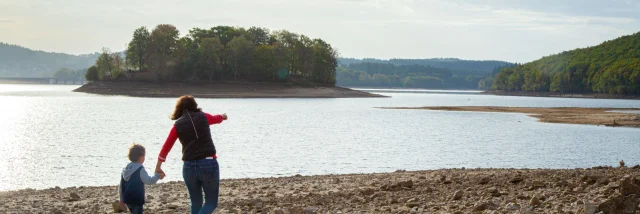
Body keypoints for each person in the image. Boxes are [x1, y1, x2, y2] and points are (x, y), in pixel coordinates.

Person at [155, 95, 228, 214]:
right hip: (208, 163)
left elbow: (166, 147)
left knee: (195, 203)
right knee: (210, 203)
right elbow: (216, 118)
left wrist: (158, 167)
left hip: (188, 167)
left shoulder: (177, 125)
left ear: (179, 109)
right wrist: (223, 117)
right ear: (194, 105)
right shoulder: (203, 116)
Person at [118, 144, 165, 214]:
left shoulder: (126, 169)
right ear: (141, 157)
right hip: (137, 199)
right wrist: (157, 176)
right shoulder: (140, 169)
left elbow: (121, 186)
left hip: (127, 198)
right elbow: (149, 181)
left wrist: (121, 199)